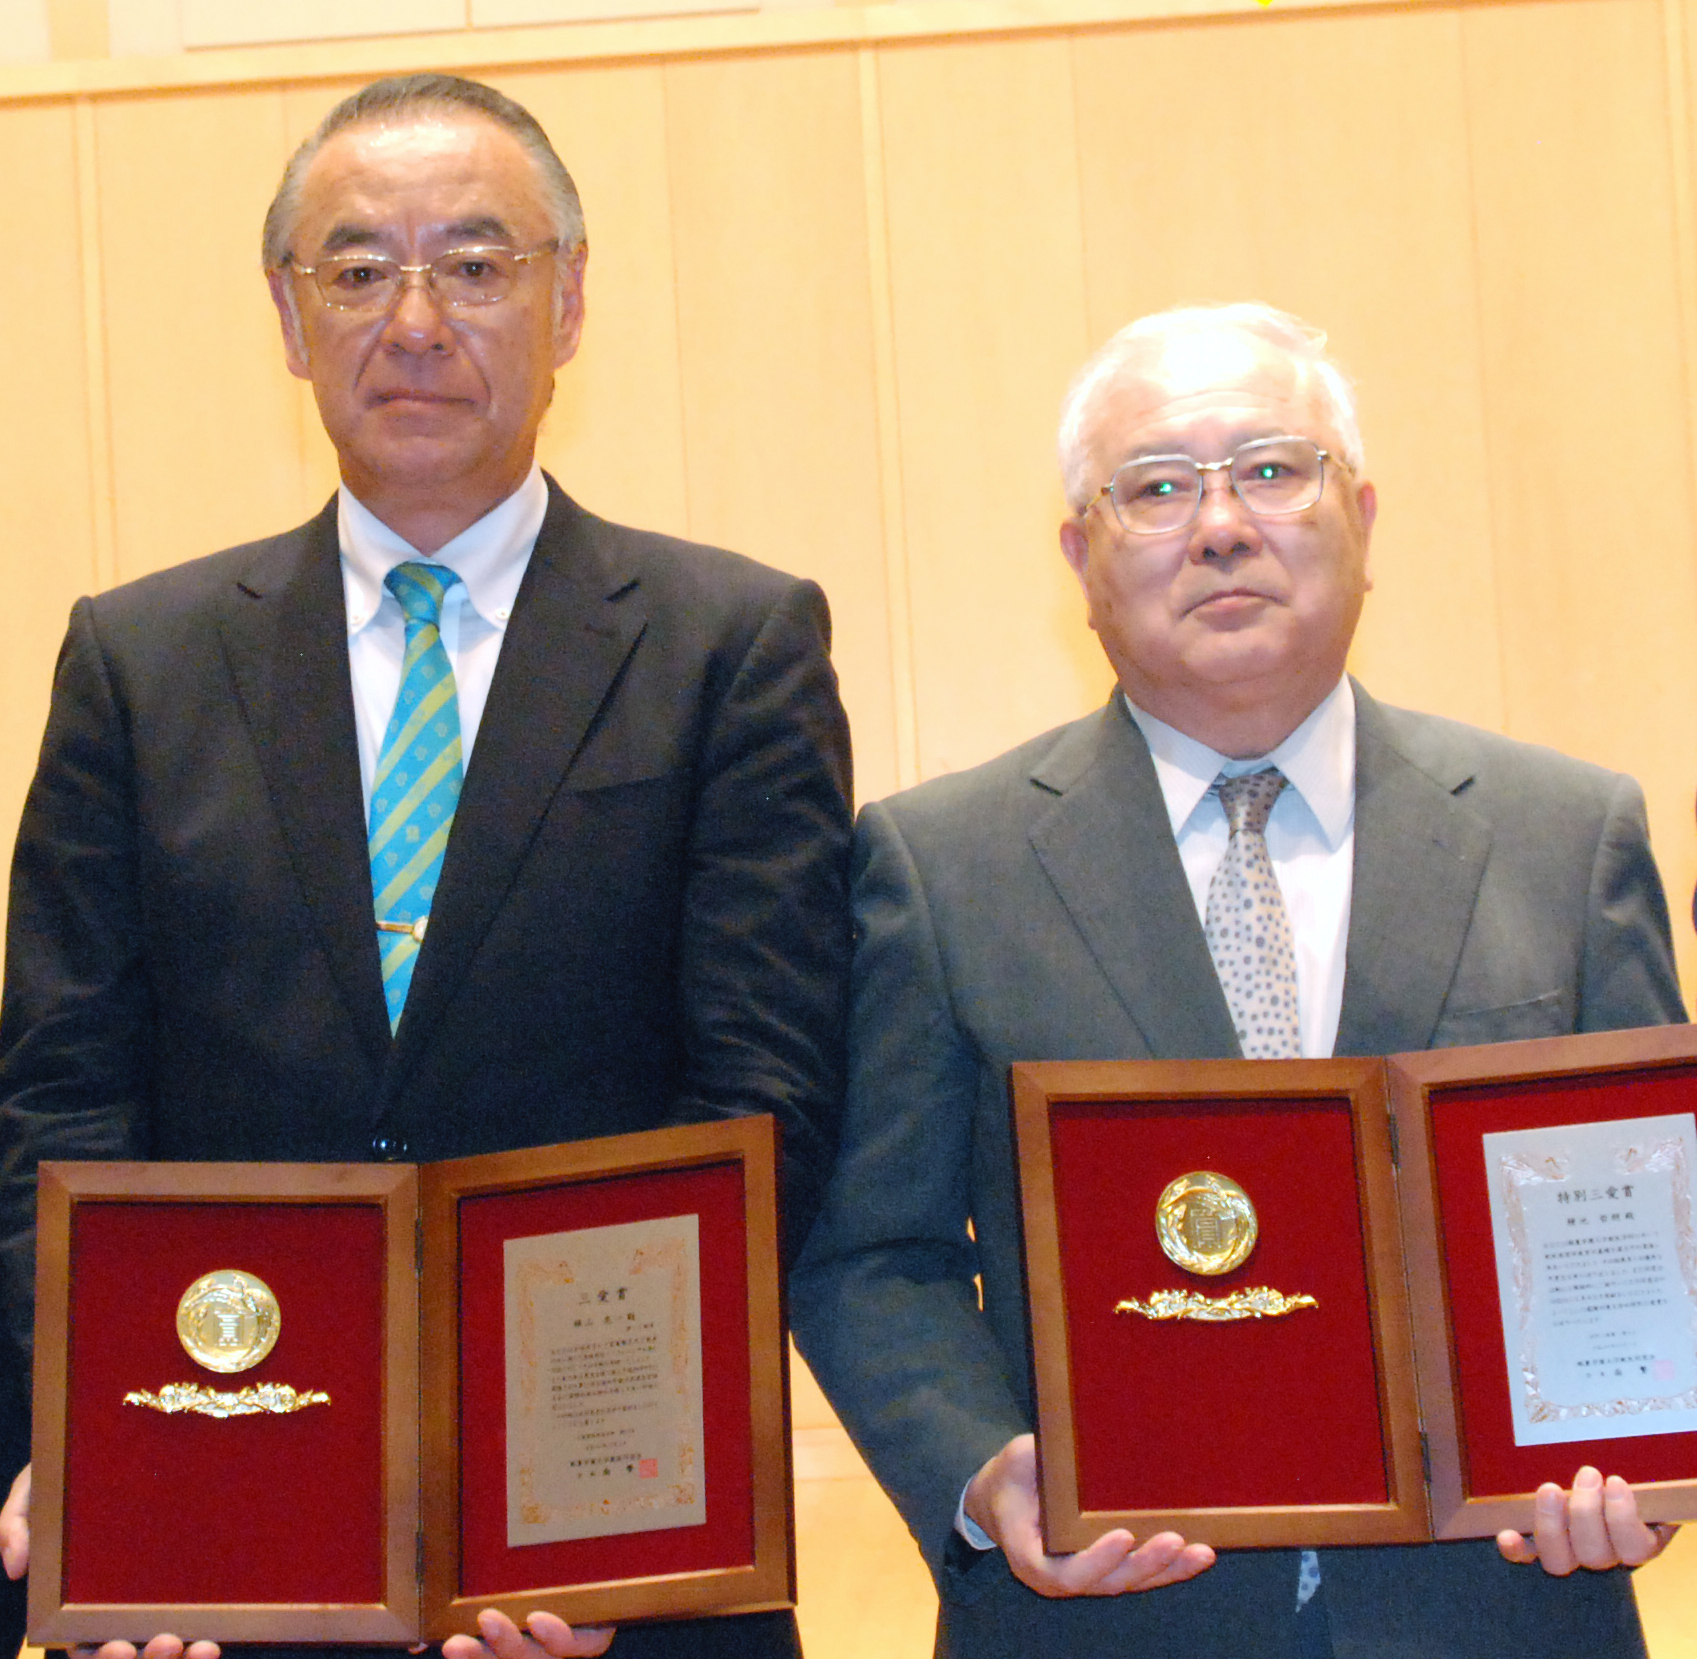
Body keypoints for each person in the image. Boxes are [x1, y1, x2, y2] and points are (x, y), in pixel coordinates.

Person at [0, 72, 852, 1659]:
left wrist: (599, 1495)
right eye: (355, 268)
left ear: (569, 300)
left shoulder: (729, 646)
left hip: (603, 1550)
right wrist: (95, 1437)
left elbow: (759, 1099)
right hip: (223, 1521)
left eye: (474, 263)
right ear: (286, 314)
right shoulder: (138, 661)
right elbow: (60, 1100)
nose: (413, 321)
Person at [790, 302, 1685, 1659]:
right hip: (1108, 1619)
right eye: (1156, 488)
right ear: (1080, 556)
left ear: (1362, 519)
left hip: (1497, 1610)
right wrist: (978, 1469)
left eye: (1272, 470)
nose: (1219, 525)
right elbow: (873, 1253)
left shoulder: (1564, 837)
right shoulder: (941, 865)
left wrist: (1643, 1457)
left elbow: (1648, 1224)